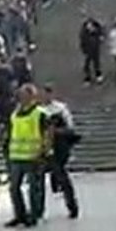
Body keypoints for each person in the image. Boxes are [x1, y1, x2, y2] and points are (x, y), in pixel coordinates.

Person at [6, 84, 49, 228]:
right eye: (20, 96)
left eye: (25, 96)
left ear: (32, 97)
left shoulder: (40, 113)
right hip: (16, 156)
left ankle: (34, 214)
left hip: (33, 156)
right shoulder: (15, 113)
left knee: (33, 188)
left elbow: (47, 134)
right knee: (14, 188)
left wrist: (44, 150)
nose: (21, 98)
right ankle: (20, 215)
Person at [41, 85, 80, 219]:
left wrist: (56, 132)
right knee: (39, 178)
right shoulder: (38, 110)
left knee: (61, 175)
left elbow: (70, 128)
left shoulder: (60, 108)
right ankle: (38, 209)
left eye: (48, 94)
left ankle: (72, 206)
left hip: (59, 147)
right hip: (43, 147)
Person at [79, 15, 105, 85]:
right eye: (88, 26)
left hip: (95, 50)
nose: (89, 27)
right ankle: (88, 78)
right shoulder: (84, 33)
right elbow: (82, 41)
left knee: (96, 64)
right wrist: (84, 50)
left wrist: (100, 38)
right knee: (86, 65)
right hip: (88, 51)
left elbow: (101, 34)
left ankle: (98, 76)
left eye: (90, 26)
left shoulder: (97, 30)